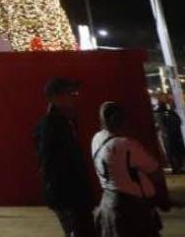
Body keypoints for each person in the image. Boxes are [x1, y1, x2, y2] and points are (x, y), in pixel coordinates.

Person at [92, 101, 169, 237]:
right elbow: (154, 170)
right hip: (132, 208)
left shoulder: (97, 138)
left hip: (108, 202)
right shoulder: (126, 144)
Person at [33, 77, 97, 237]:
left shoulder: (63, 122)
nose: (75, 96)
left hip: (73, 196)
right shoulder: (52, 126)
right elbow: (49, 164)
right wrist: (60, 198)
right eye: (70, 93)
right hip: (69, 197)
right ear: (55, 98)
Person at [152, 96, 185, 175]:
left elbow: (160, 127)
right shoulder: (170, 113)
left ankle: (176, 168)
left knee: (171, 152)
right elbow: (179, 121)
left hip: (167, 137)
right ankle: (179, 166)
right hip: (175, 136)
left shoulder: (158, 115)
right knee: (177, 151)